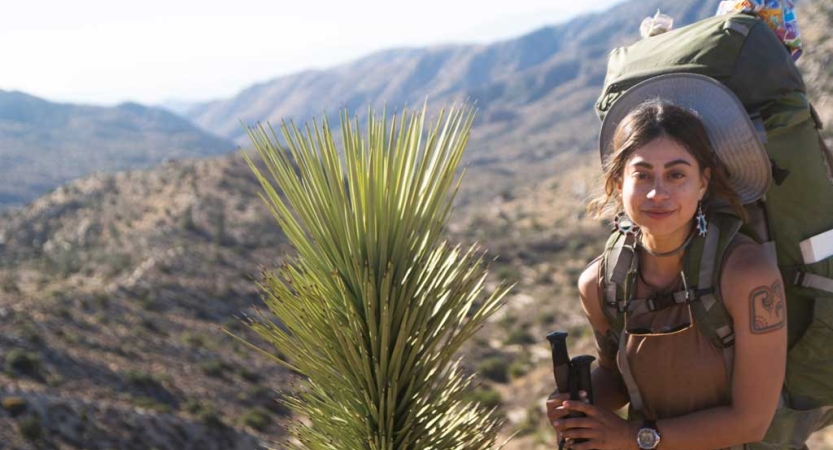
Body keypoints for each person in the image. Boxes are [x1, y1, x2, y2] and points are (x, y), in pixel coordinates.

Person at [546, 75, 788, 450]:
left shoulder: (746, 275)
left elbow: (751, 422)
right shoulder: (601, 283)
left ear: (704, 183)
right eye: (642, 175)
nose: (658, 193)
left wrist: (631, 437)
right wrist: (578, 408)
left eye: (677, 175)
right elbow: (616, 375)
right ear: (617, 182)